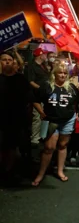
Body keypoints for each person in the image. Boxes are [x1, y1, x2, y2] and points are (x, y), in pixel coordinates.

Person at [31, 64, 79, 186]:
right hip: (51, 120)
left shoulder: (70, 87)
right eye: (60, 73)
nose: (63, 75)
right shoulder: (47, 86)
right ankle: (41, 174)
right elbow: (34, 99)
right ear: (54, 74)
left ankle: (60, 171)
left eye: (65, 73)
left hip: (68, 120)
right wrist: (41, 112)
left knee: (63, 145)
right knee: (49, 147)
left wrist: (78, 114)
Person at [0, 52, 33, 184]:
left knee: (12, 147)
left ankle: (8, 172)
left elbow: (29, 99)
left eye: (9, 59)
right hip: (1, 119)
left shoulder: (21, 79)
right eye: (4, 60)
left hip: (15, 120)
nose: (7, 62)